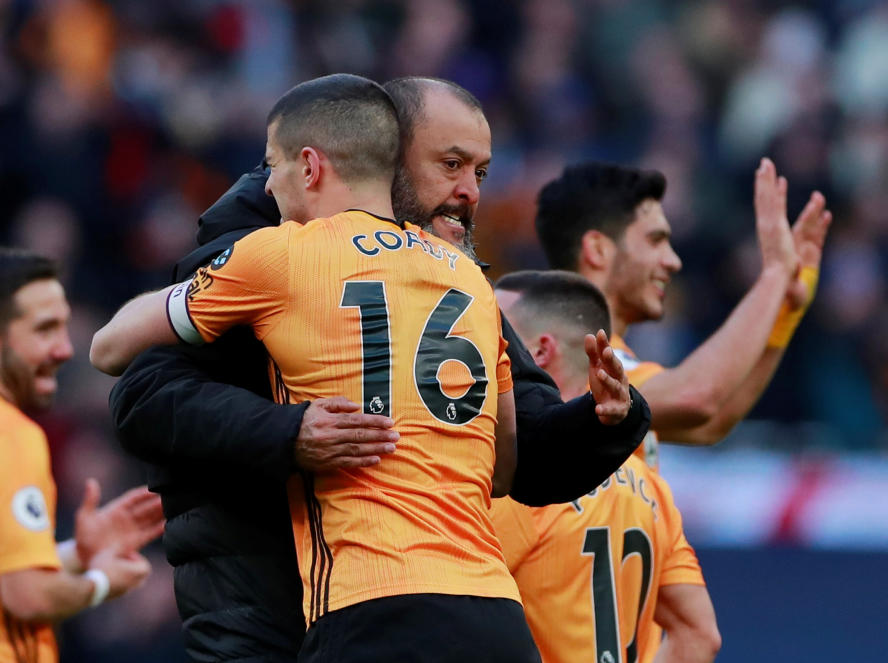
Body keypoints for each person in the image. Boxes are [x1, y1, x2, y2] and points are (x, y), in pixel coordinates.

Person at [107, 77, 649, 661]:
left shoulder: (453, 277)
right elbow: (143, 396)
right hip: (261, 621)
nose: (469, 192)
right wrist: (288, 433)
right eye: (450, 164)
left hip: (393, 614)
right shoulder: (264, 250)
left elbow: (518, 454)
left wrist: (602, 421)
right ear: (383, 156)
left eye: (481, 174)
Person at [0, 247, 163, 663]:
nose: (63, 351)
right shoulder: (9, 437)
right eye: (43, 331)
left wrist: (78, 553)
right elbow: (27, 596)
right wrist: (101, 581)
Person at [535, 159, 831, 466]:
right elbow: (697, 397)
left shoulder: (611, 358)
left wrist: (784, 311)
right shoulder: (563, 355)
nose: (673, 260)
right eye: (656, 240)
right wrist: (775, 274)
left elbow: (710, 423)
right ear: (597, 250)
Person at [491, 270, 721, 663]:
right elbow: (700, 634)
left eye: (499, 337)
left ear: (538, 352)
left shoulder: (518, 483)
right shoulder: (651, 486)